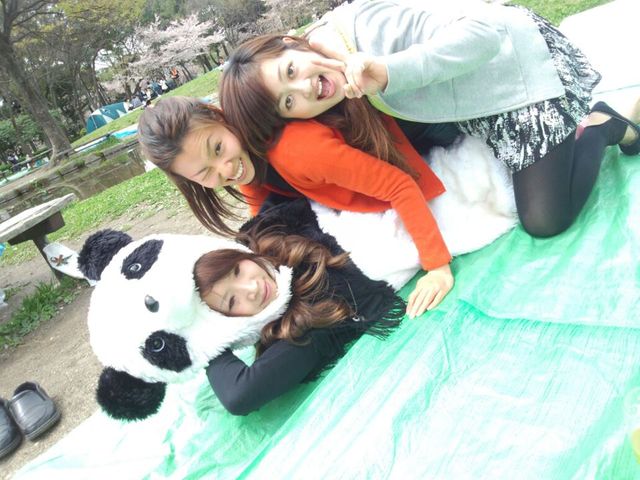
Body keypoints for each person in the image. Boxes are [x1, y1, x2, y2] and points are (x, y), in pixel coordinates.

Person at [219, 0, 640, 245]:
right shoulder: (337, 87)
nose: (305, 89)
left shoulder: (363, 25)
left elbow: (484, 33)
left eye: (290, 71)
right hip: (480, 102)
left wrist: (389, 71)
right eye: (288, 101)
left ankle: (602, 124)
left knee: (546, 220)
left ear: (289, 43)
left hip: (518, 69)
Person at [139, 92, 454, 319]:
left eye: (218, 148)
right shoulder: (246, 166)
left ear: (219, 117)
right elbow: (266, 230)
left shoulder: (296, 150)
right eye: (205, 173)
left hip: (434, 128)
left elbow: (398, 184)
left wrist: (437, 268)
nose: (224, 169)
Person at [195, 198, 404, 415]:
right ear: (230, 321)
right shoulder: (304, 324)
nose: (251, 289)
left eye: (237, 271)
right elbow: (239, 395)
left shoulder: (267, 228)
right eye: (232, 301)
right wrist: (202, 340)